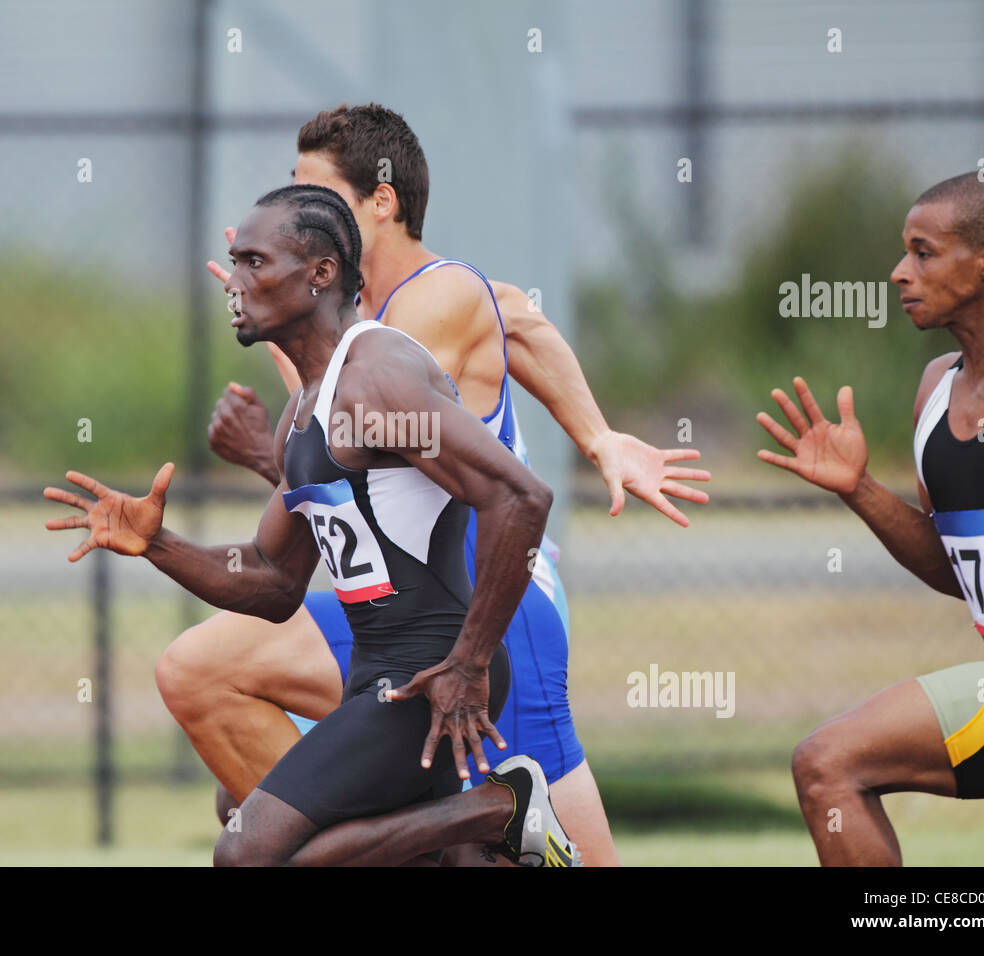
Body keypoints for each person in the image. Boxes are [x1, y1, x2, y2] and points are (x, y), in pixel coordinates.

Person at [157, 104, 710, 866]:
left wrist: (595, 436)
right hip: (395, 607)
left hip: (490, 603)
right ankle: (440, 830)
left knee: (564, 844)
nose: (301, 208)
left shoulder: (419, 307)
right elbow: (356, 470)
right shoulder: (359, 325)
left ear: (380, 202)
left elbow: (511, 324)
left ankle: (471, 823)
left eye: (316, 193)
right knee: (213, 702)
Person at [47, 183, 580, 866]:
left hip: (429, 672)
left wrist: (469, 663)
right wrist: (157, 544)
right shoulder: (304, 409)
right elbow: (273, 581)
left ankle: (496, 810)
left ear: (321, 273)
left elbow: (520, 495)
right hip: (373, 672)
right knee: (245, 810)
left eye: (255, 262)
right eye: (235, 262)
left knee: (246, 853)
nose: (235, 282)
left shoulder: (377, 377)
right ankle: (477, 845)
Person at [758, 172, 984, 865]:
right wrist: (859, 489)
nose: (898, 273)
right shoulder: (936, 388)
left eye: (923, 252)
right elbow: (955, 570)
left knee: (828, 763)